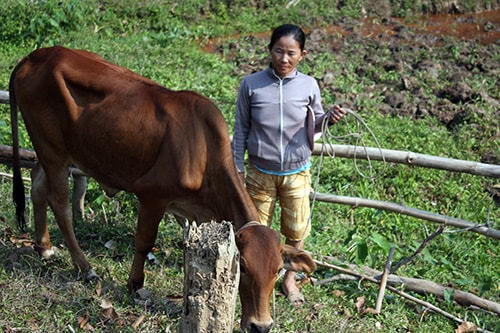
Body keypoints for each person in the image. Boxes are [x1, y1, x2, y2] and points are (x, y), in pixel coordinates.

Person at [232, 24, 346, 307]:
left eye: (291, 53)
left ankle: (289, 279)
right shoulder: (251, 85)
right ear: (269, 50)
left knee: (296, 230)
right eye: (279, 51)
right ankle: (255, 279)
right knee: (258, 231)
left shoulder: (309, 85)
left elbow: (314, 123)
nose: (284, 59)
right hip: (259, 171)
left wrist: (328, 118)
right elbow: (241, 128)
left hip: (296, 171)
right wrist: (238, 166)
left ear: (302, 55)